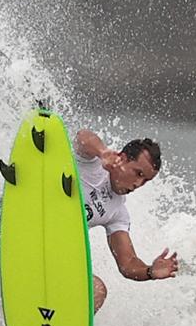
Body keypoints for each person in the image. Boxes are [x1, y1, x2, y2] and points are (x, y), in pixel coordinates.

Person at [71, 129, 178, 311]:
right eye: (138, 173)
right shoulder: (93, 163)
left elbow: (127, 263)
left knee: (96, 290)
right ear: (122, 158)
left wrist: (150, 272)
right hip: (21, 221)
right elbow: (82, 137)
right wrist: (103, 152)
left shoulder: (118, 213)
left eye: (145, 180)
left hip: (53, 255)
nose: (138, 184)